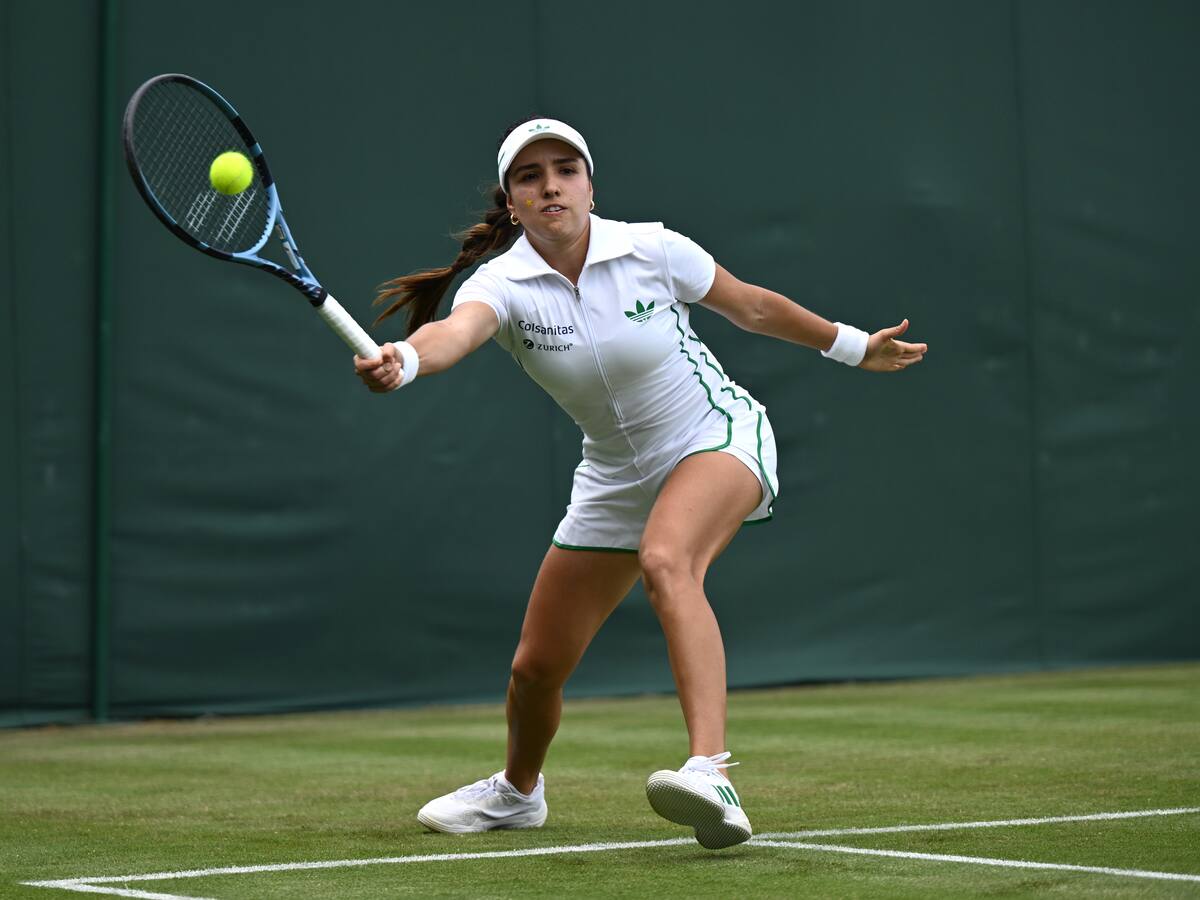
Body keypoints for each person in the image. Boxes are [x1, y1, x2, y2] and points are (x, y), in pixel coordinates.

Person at [354, 117, 927, 849]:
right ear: (512, 200)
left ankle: (711, 768)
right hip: (613, 473)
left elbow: (750, 304)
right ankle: (517, 794)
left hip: (712, 434)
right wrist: (404, 358)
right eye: (530, 176)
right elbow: (456, 332)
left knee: (667, 560)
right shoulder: (501, 284)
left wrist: (852, 348)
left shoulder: (653, 248)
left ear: (591, 185)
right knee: (534, 669)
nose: (551, 185)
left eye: (566, 169)